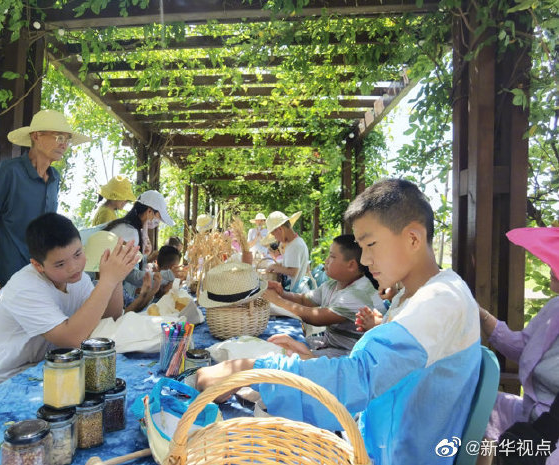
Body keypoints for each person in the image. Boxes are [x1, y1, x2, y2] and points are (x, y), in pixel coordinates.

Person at [197, 178, 481, 465]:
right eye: (361, 247)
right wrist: (310, 361)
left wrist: (250, 369)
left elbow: (362, 377)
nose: (365, 259)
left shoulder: (439, 300)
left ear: (413, 239)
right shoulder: (411, 296)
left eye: (371, 245)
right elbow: (383, 373)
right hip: (375, 438)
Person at [0, 213, 140, 391]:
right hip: (3, 378)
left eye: (78, 254)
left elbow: (108, 318)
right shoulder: (24, 288)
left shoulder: (77, 279)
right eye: (60, 264)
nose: (73, 267)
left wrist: (116, 279)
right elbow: (72, 340)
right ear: (38, 265)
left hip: (50, 368)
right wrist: (107, 281)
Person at [0, 109, 91, 296]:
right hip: (9, 281)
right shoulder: (9, 171)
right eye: (59, 137)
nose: (64, 144)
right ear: (36, 136)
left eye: (67, 139)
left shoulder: (54, 178)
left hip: (43, 280)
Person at [479, 227, 559, 455]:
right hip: (531, 413)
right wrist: (481, 315)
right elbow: (523, 348)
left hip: (552, 432)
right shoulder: (554, 308)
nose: (550, 266)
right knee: (479, 404)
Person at [264, 234, 385, 358]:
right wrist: (282, 293)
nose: (326, 261)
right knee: (279, 347)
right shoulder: (332, 285)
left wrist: (277, 300)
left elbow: (317, 317)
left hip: (351, 354)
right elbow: (304, 300)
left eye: (332, 256)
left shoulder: (358, 293)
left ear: (351, 265)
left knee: (288, 357)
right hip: (330, 344)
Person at [104, 190, 176, 295]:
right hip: (112, 293)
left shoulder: (126, 226)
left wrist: (146, 258)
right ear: (149, 212)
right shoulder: (129, 232)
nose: (158, 222)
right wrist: (168, 275)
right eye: (159, 217)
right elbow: (130, 275)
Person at [264, 211, 308, 292]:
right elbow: (290, 264)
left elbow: (293, 271)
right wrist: (279, 265)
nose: (276, 239)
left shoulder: (295, 245)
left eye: (274, 235)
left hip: (296, 291)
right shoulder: (294, 243)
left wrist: (275, 267)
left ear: (280, 229)